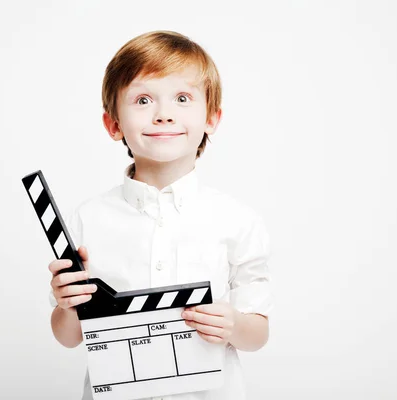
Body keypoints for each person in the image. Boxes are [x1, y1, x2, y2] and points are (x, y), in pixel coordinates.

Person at [48, 30, 273, 399]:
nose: (164, 114)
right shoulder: (87, 219)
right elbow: (67, 337)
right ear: (114, 124)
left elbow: (257, 336)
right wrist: (67, 304)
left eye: (182, 98)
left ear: (211, 119)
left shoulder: (237, 220)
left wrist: (233, 325)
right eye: (143, 99)